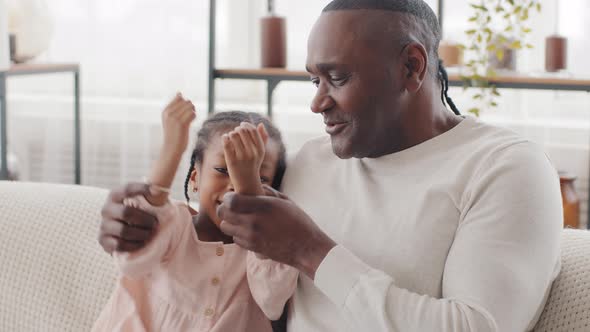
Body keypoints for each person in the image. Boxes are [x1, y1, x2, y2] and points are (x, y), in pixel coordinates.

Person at [99, 0, 562, 331]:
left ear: (412, 67)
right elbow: (209, 241)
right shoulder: (310, 162)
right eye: (315, 79)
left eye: (337, 77)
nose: (318, 102)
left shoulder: (506, 169)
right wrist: (134, 217)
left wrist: (311, 251)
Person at [93, 96, 298, 331]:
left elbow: (272, 300)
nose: (235, 184)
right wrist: (172, 149)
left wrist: (249, 189)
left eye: (259, 177)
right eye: (223, 169)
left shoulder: (267, 255)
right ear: (195, 179)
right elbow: (131, 259)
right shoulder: (175, 226)